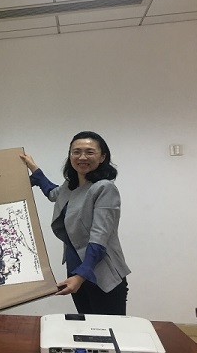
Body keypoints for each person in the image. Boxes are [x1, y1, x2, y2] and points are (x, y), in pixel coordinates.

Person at [21, 131, 130, 315]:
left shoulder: (104, 188)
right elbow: (53, 193)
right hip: (75, 271)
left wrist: (81, 276)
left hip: (100, 275)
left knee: (107, 330)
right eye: (76, 152)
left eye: (89, 152)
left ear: (102, 157)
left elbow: (99, 238)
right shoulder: (71, 185)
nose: (82, 157)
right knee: (86, 326)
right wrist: (34, 170)